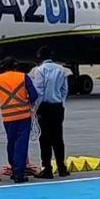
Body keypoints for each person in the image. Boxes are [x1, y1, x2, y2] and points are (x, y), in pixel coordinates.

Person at [0, 56, 39, 183]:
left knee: (11, 143)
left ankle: (14, 169)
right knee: (21, 144)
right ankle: (19, 172)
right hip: (24, 116)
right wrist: (27, 102)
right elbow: (34, 95)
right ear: (15, 66)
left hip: (8, 117)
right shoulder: (23, 77)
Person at [30, 46, 69, 179]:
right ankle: (62, 167)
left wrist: (34, 108)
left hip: (45, 107)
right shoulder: (61, 69)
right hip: (58, 107)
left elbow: (39, 91)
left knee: (44, 139)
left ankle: (47, 168)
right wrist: (61, 103)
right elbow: (64, 90)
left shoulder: (40, 70)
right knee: (58, 138)